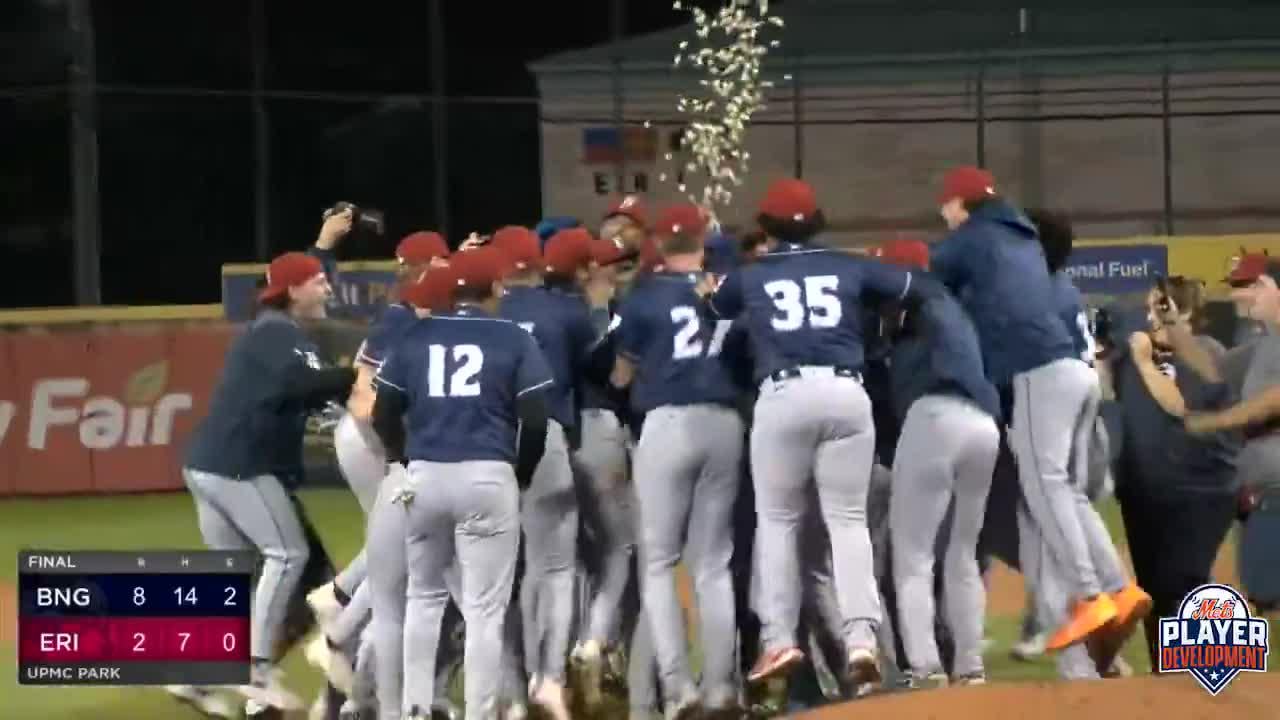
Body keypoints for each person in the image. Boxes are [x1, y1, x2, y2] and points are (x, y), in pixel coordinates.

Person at [708, 178, 936, 694]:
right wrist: (873, 318)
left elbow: (714, 313)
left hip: (784, 396)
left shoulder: (751, 275)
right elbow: (916, 288)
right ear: (817, 223)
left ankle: (779, 637)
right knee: (849, 522)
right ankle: (861, 640)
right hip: (846, 392)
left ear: (765, 228)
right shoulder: (851, 264)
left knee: (779, 522)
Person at [928, 167, 1145, 654]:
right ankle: (1118, 585)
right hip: (1076, 374)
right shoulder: (1022, 238)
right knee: (1065, 490)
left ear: (961, 204)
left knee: (1044, 486)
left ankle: (1091, 596)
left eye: (946, 205)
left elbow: (926, 276)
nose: (944, 215)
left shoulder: (974, 235)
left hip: (1037, 373)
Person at [371, 247, 554, 720]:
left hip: (425, 474)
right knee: (483, 611)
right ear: (495, 288)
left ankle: (413, 708)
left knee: (424, 597)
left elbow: (382, 411)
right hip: (487, 475)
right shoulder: (512, 337)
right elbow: (534, 418)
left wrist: (398, 459)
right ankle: (479, 712)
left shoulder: (416, 334)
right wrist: (523, 473)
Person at [180, 252, 356, 714]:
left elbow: (308, 387)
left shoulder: (277, 332)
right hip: (238, 464)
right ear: (293, 290)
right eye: (318, 282)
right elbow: (304, 382)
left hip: (209, 464)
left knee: (236, 574)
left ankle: (192, 675)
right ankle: (256, 671)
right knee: (287, 554)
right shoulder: (277, 330)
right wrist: (363, 373)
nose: (327, 290)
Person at [612, 204, 750, 718]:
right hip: (724, 423)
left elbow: (622, 376)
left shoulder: (644, 296)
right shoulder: (728, 288)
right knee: (713, 564)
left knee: (659, 564)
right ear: (701, 240)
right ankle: (720, 689)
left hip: (668, 424)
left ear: (657, 246)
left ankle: (679, 691)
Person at [307, 229, 452, 696]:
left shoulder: (419, 308)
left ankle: (340, 608)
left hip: (376, 437)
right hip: (369, 438)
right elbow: (363, 396)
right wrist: (397, 451)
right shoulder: (402, 314)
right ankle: (340, 616)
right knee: (405, 547)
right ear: (425, 266)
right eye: (442, 261)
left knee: (405, 545)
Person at [875, 238, 1001, 688]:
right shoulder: (952, 304)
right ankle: (970, 665)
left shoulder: (912, 303)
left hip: (934, 418)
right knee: (962, 554)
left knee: (912, 558)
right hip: (983, 425)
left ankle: (926, 667)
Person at [493, 225, 601, 719]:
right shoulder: (563, 311)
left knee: (484, 583)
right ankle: (547, 680)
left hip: (472, 451)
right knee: (553, 568)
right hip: (542, 437)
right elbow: (599, 371)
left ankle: (508, 695)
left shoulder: (472, 317)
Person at [1107, 275, 1239, 670]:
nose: (1151, 315)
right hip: (1143, 489)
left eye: (1161, 307)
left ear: (1188, 312)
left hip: (1199, 490)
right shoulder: (1130, 356)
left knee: (1185, 582)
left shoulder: (1206, 353)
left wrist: (1145, 362)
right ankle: (1169, 684)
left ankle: (1206, 677)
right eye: (1150, 307)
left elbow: (1179, 406)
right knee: (1155, 591)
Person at [1174, 256, 1280, 608]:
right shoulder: (1264, 345)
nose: (1239, 296)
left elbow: (1271, 402)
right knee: (1263, 593)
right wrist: (1175, 328)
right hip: (1261, 490)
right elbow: (1215, 369)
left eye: (1254, 286)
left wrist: (1210, 423)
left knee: (1267, 592)